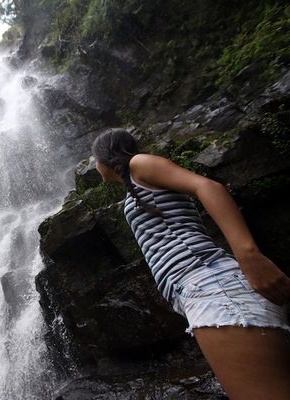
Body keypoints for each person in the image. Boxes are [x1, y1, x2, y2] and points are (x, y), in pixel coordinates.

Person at [91, 128, 290, 400]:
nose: (93, 166)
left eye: (93, 159)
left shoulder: (139, 164)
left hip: (212, 286)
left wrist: (249, 255)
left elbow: (208, 186)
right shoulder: (134, 187)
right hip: (204, 292)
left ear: (105, 155)